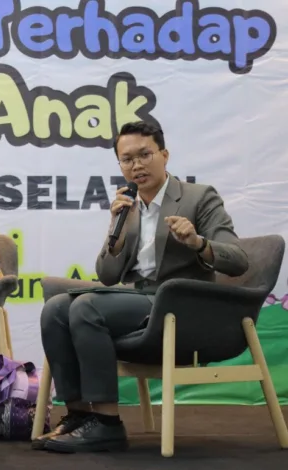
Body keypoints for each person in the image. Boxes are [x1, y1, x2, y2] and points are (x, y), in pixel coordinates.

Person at [34, 121, 249, 453]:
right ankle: (78, 415)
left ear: (164, 155)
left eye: (145, 155)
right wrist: (117, 231)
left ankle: (106, 423)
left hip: (180, 306)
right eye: (127, 159)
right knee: (55, 309)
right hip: (139, 300)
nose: (136, 165)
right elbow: (107, 276)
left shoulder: (199, 197)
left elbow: (237, 260)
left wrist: (198, 242)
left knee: (86, 307)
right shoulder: (128, 207)